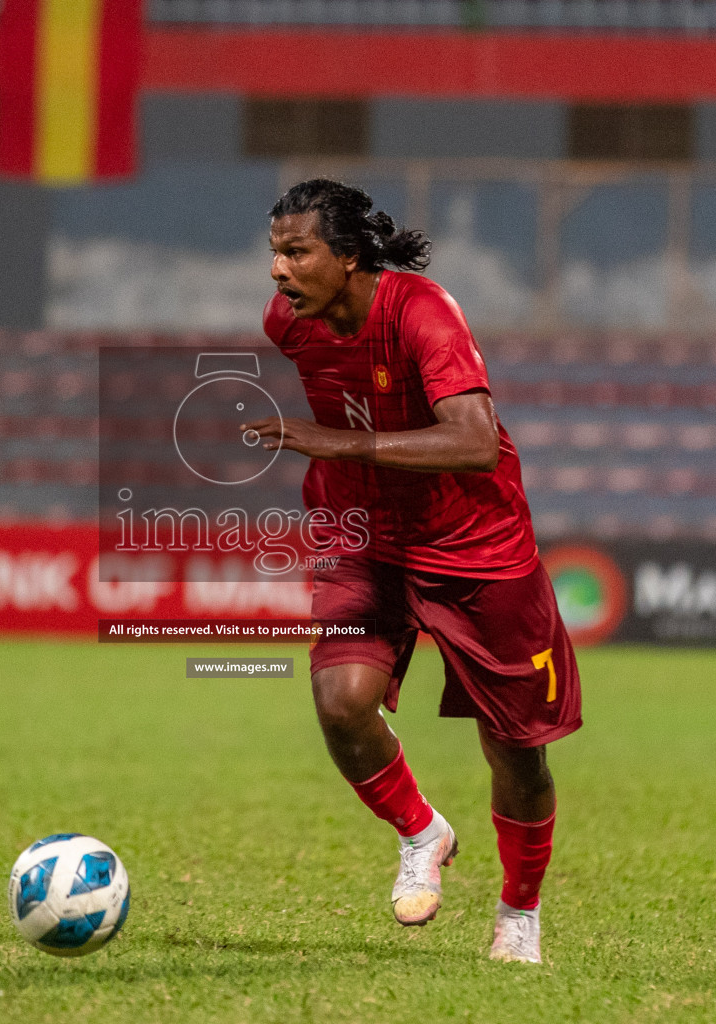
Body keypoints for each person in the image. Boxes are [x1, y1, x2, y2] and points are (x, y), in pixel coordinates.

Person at [240, 179, 581, 964]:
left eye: (296, 252)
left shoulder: (423, 312)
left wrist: (337, 442)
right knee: (340, 702)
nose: (278, 273)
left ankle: (519, 911)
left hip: (475, 546)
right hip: (364, 534)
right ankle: (423, 831)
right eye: (274, 253)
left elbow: (475, 443)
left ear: (349, 255)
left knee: (516, 748)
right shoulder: (288, 323)